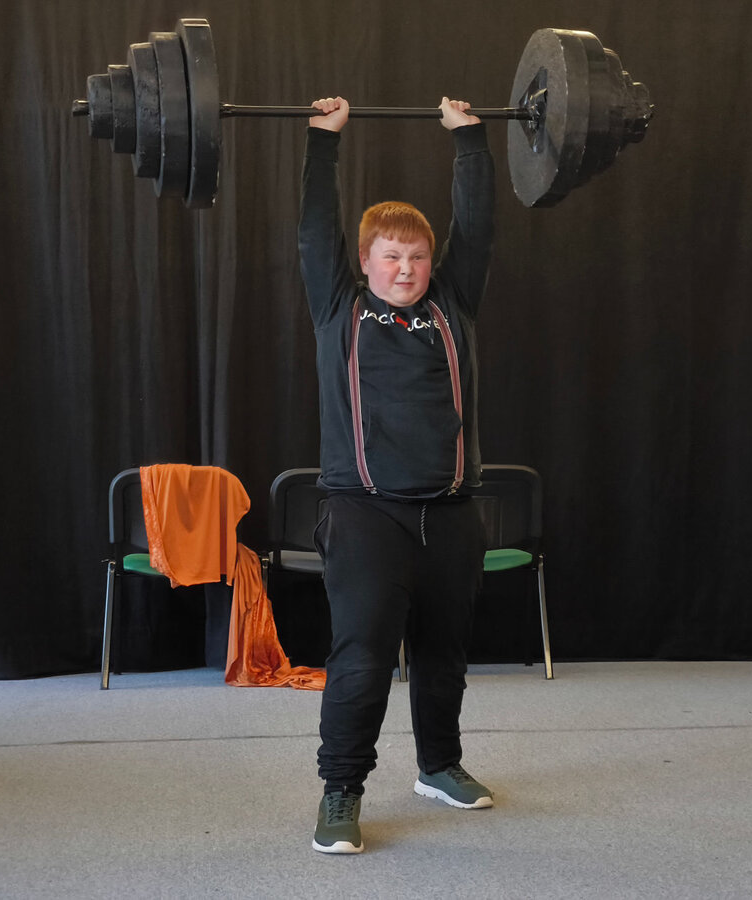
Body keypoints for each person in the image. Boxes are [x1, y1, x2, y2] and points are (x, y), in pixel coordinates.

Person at [298, 95, 496, 854]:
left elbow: (477, 227)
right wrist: (324, 143)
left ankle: (438, 766)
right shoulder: (338, 308)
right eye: (391, 256)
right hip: (364, 511)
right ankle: (342, 790)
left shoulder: (454, 304)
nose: (406, 268)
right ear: (367, 261)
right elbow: (315, 230)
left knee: (446, 654)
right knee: (363, 660)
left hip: (450, 511)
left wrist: (470, 142)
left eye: (416, 257)